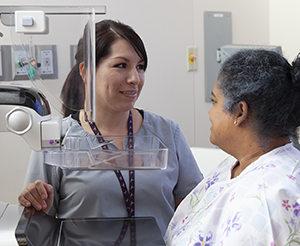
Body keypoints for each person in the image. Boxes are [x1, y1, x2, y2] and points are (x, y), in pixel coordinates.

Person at [18, 19, 203, 235]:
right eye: (121, 65)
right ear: (86, 72)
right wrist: (37, 203)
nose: (135, 78)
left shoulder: (167, 133)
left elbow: (194, 211)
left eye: (140, 67)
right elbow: (39, 221)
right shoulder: (55, 138)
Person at [164, 49, 300, 245]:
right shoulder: (234, 166)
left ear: (240, 111)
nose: (210, 112)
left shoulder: (274, 195)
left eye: (214, 101)